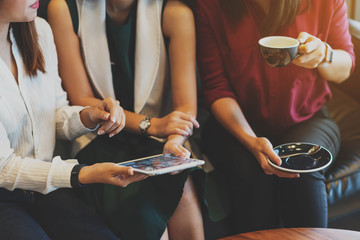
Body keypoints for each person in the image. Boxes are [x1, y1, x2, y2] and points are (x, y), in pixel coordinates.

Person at [47, 0, 205, 239]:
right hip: (96, 136)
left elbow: (185, 107)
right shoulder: (64, 8)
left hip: (160, 138)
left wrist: (175, 140)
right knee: (138, 202)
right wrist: (152, 124)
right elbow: (82, 98)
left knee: (182, 188)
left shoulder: (175, 13)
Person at [196, 0, 354, 234]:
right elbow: (217, 88)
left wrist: (325, 55)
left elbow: (345, 68)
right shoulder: (211, 6)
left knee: (301, 169)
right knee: (252, 177)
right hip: (238, 125)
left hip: (308, 117)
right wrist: (250, 141)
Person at [0, 1, 148, 239]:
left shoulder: (39, 30)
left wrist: (88, 116)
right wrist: (83, 174)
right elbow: (4, 169)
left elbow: (54, 114)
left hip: (42, 189)